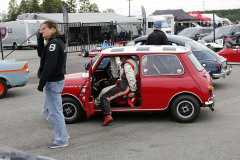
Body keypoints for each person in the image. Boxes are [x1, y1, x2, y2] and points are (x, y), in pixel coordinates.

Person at [37, 20, 69, 148]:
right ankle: (62, 134)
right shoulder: (54, 42)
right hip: (54, 81)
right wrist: (39, 38)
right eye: (41, 28)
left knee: (55, 112)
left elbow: (49, 66)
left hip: (53, 82)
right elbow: (41, 54)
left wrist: (41, 83)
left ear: (52, 29)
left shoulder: (54, 44)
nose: (41, 30)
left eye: (44, 28)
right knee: (47, 110)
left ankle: (61, 139)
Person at [95, 56, 139, 126]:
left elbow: (131, 78)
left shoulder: (127, 65)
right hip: (123, 85)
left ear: (125, 56)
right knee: (104, 90)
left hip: (123, 87)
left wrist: (133, 90)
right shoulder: (133, 61)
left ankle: (107, 116)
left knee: (104, 96)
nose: (120, 58)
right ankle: (100, 107)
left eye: (121, 57)